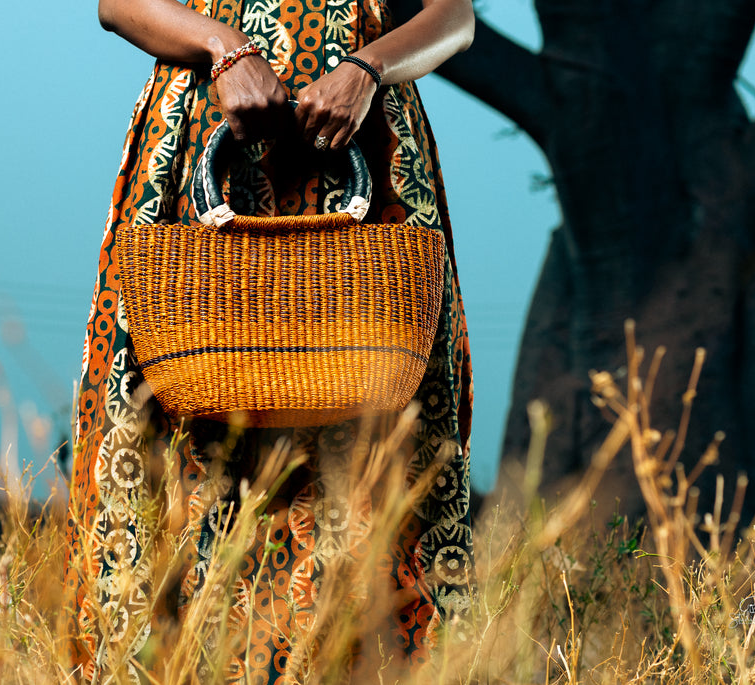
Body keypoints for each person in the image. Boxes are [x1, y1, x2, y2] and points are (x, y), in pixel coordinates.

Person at [64, 0, 476, 679]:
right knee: (173, 439)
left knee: (378, 451)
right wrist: (224, 48)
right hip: (203, 147)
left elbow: (454, 17)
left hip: (366, 156)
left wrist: (367, 70)